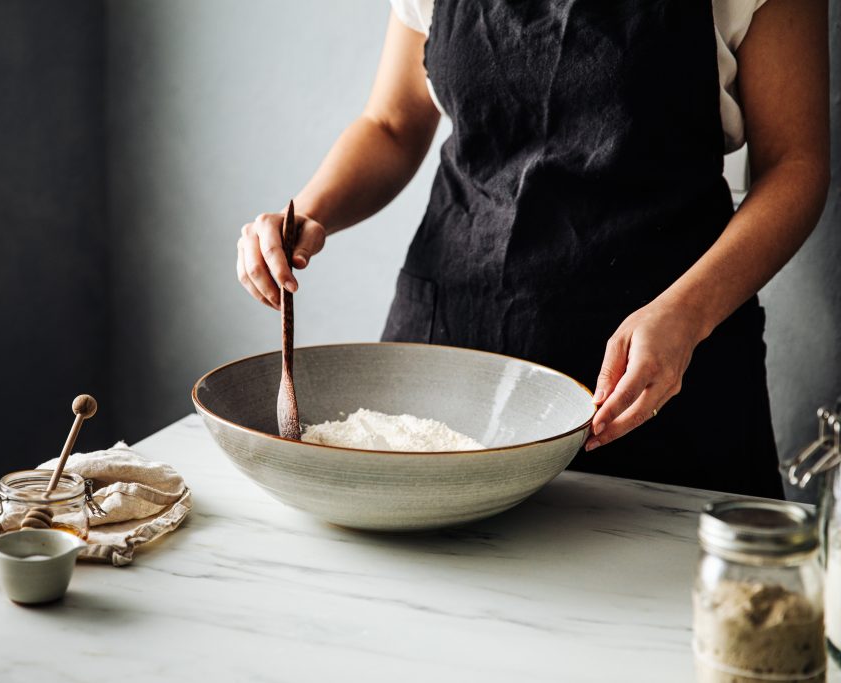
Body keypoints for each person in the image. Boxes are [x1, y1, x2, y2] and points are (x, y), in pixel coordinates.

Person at [235, 0, 829, 497]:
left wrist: (688, 313)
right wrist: (307, 212)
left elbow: (795, 165)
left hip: (655, 368)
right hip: (452, 347)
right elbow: (392, 122)